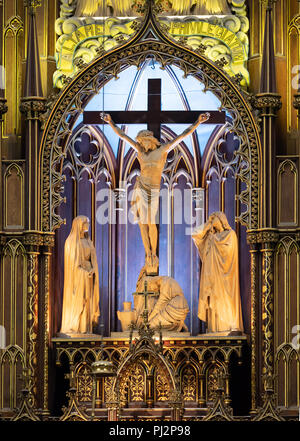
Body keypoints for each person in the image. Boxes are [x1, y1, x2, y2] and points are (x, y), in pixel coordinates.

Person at [101, 112, 210, 271]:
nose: (142, 145)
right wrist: (110, 123)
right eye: (140, 143)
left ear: (149, 140)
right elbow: (123, 136)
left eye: (143, 142)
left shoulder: (162, 151)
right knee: (142, 223)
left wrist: (197, 123)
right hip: (141, 187)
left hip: (153, 190)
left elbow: (181, 136)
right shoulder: (140, 151)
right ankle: (148, 253)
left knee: (151, 222)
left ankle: (153, 253)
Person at [192, 211, 244, 334]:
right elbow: (195, 234)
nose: (212, 222)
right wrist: (207, 225)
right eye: (211, 220)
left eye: (213, 219)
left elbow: (229, 254)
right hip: (212, 277)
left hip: (226, 277)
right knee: (212, 302)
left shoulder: (230, 235)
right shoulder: (210, 237)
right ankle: (213, 329)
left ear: (221, 220)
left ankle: (227, 326)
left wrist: (215, 242)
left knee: (224, 301)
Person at [60, 216, 100, 334]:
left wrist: (93, 270)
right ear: (78, 225)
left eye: (88, 223)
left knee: (88, 302)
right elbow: (72, 266)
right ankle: (75, 327)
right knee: (79, 302)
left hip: (89, 276)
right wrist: (83, 272)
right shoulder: (71, 242)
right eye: (84, 223)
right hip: (78, 278)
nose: (87, 226)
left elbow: (94, 261)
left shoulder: (88, 241)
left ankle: (85, 328)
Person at [134, 267, 189, 332]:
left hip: (178, 306)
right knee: (152, 324)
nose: (152, 289)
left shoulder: (165, 282)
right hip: (176, 307)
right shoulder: (165, 281)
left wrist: (149, 320)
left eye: (150, 287)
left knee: (152, 325)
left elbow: (160, 304)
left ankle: (149, 328)